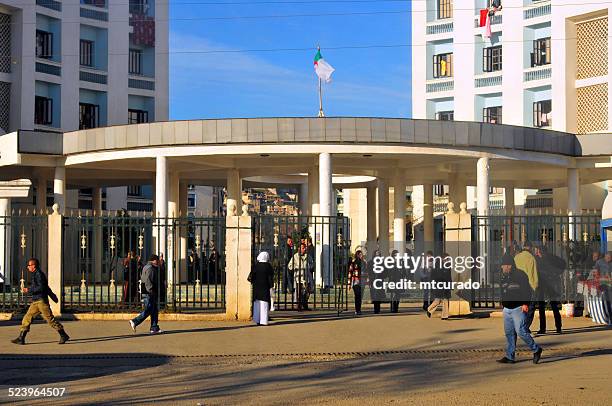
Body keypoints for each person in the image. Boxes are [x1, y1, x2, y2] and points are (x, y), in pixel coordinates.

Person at [11, 258, 70, 345]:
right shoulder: (36, 274)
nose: (28, 267)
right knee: (27, 318)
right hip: (36, 301)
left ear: (33, 266)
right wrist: (53, 296)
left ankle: (63, 335)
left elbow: (42, 287)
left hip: (41, 301)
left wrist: (28, 290)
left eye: (29, 265)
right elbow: (46, 287)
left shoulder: (39, 274)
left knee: (50, 320)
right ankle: (21, 338)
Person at [497, 253, 543, 364]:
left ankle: (536, 349)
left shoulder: (520, 275)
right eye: (503, 266)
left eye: (506, 265)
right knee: (509, 333)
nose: (504, 267)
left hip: (518, 308)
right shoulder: (503, 276)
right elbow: (503, 290)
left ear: (510, 265)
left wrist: (525, 304)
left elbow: (527, 291)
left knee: (521, 331)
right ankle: (510, 356)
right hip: (507, 309)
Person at [533, 245, 565, 334]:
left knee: (553, 305)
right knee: (541, 307)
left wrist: (556, 274)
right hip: (541, 284)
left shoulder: (551, 258)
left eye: (537, 250)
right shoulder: (536, 259)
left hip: (550, 284)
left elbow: (562, 264)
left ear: (541, 251)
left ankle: (558, 327)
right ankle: (543, 328)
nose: (536, 252)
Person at [129, 255, 162, 334]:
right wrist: (150, 290)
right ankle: (134, 321)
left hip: (147, 291)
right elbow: (148, 280)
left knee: (154, 310)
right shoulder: (150, 268)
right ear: (153, 260)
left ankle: (154, 328)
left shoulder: (147, 266)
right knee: (149, 310)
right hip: (148, 292)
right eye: (157, 260)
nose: (158, 262)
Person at [514, 241, 539, 332]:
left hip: (517, 287)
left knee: (519, 308)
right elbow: (533, 274)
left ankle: (518, 327)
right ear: (530, 248)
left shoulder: (516, 257)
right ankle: (525, 327)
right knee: (530, 309)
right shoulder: (531, 258)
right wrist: (535, 286)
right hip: (528, 287)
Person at [249, 251, 274, 325]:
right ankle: (264, 321)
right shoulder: (268, 266)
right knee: (264, 305)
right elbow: (270, 278)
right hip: (265, 287)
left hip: (257, 288)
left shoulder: (256, 266)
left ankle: (257, 320)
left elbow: (250, 277)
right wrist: (271, 285)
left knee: (257, 304)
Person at [287, 243, 314, 311]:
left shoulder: (308, 256)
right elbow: (290, 266)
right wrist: (296, 267)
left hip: (307, 277)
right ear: (299, 248)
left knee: (307, 292)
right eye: (303, 248)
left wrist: (309, 267)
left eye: (305, 248)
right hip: (298, 277)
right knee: (299, 292)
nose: (304, 249)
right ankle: (299, 305)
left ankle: (305, 305)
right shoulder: (295, 256)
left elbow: (312, 264)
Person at [426, 253, 451, 320]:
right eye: (446, 258)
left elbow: (449, 276)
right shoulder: (437, 266)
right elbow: (435, 277)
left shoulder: (447, 265)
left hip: (444, 285)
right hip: (439, 285)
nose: (447, 260)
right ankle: (444, 316)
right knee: (444, 300)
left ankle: (429, 309)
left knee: (438, 300)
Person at [348, 250, 366, 315]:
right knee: (357, 295)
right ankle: (357, 309)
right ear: (357, 255)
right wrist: (349, 284)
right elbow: (350, 273)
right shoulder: (353, 263)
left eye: (362, 254)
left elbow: (367, 272)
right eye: (360, 254)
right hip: (355, 281)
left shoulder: (364, 263)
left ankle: (359, 309)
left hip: (362, 281)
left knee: (360, 296)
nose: (361, 256)